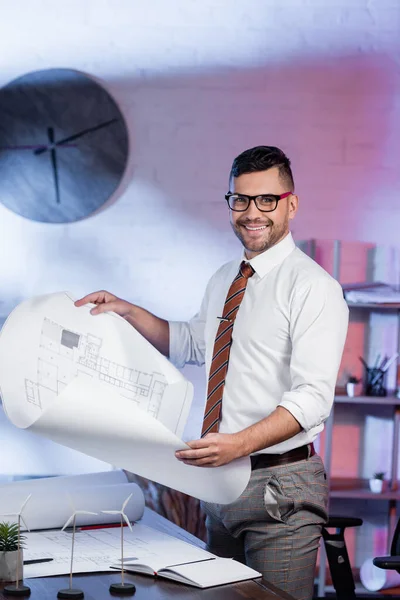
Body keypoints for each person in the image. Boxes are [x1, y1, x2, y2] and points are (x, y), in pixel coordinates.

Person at [76, 146, 348, 600]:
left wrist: (238, 443)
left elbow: (312, 398)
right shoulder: (226, 277)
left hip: (280, 487)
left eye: (266, 199)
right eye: (240, 199)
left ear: (290, 204)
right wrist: (126, 311)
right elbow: (192, 343)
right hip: (219, 483)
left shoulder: (314, 287)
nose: (252, 212)